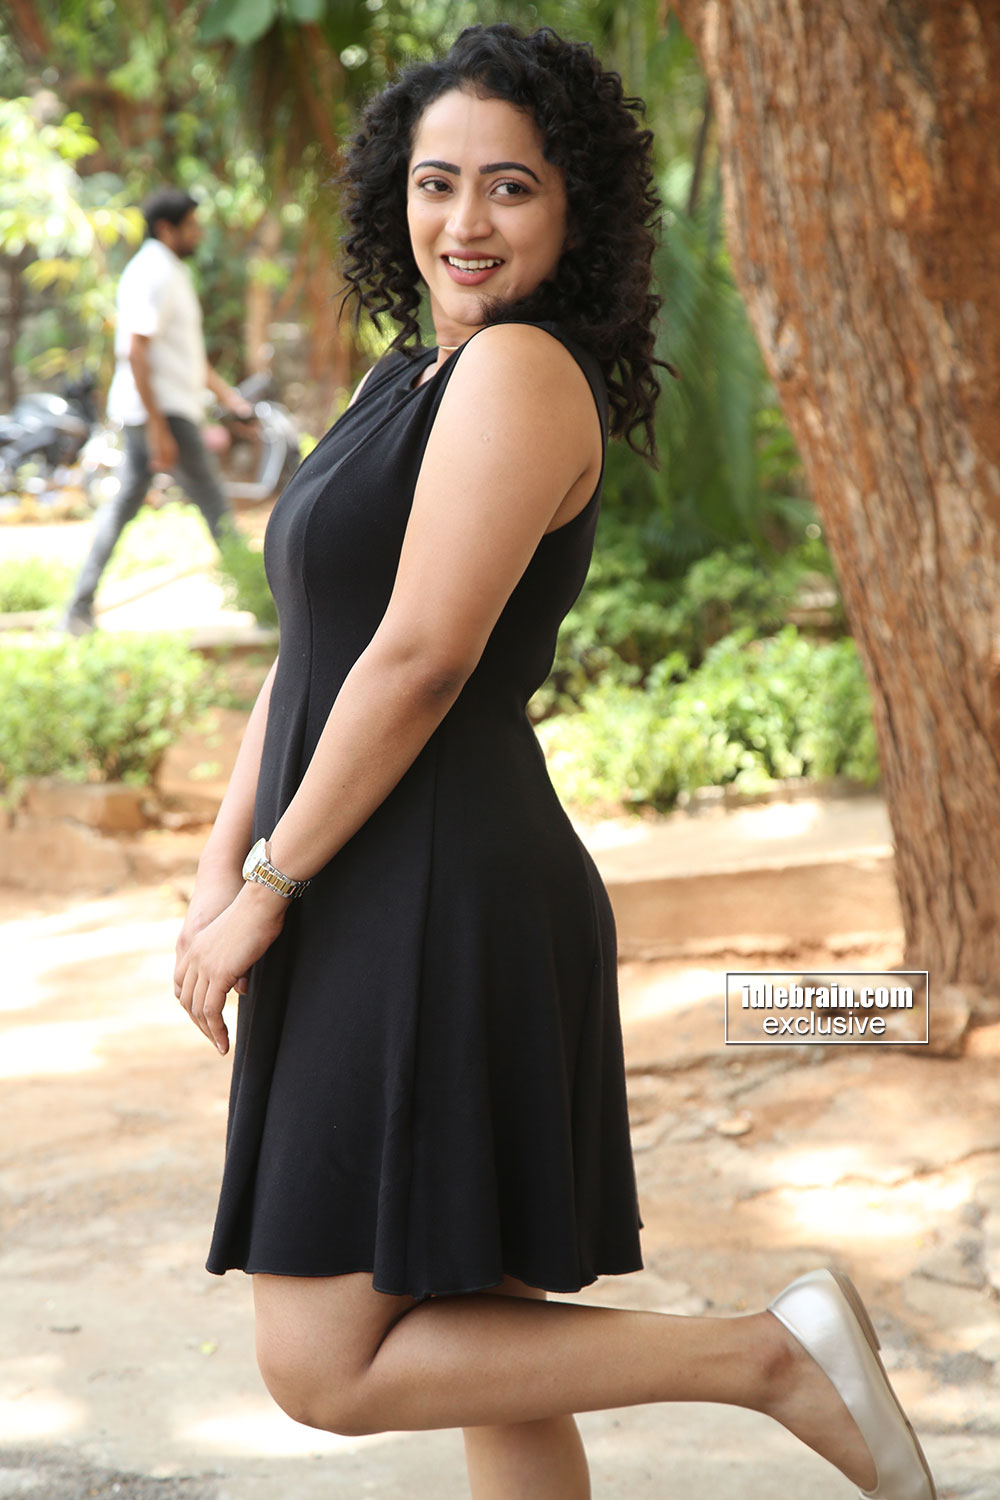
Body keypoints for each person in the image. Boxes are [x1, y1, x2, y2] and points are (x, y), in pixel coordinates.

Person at [173, 24, 936, 1500]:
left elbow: (419, 658)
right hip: (360, 868)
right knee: (490, 1332)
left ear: (573, 207)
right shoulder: (417, 372)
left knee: (323, 1364)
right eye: (436, 182)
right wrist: (224, 865)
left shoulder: (520, 370)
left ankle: (764, 1357)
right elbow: (316, 642)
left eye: (509, 186)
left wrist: (271, 881)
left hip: (429, 888)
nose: (465, 220)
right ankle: (771, 1356)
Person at [62, 187, 252, 634]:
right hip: (162, 412)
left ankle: (78, 608)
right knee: (214, 503)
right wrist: (158, 426)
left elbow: (187, 358)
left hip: (165, 410)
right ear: (167, 229)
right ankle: (262, 599)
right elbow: (136, 350)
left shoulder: (170, 271)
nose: (198, 233)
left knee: (125, 506)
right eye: (192, 226)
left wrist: (231, 399)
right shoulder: (153, 271)